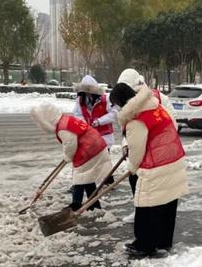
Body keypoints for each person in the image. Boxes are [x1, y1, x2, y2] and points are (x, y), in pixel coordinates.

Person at [109, 79, 188, 257]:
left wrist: (133, 168)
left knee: (145, 203)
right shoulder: (154, 106)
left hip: (156, 164)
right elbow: (172, 126)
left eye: (115, 105)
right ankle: (163, 241)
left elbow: (137, 152)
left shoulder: (135, 119)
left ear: (122, 103)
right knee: (167, 202)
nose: (116, 110)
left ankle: (144, 244)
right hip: (173, 158)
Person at [115, 68, 177, 223]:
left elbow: (173, 123)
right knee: (135, 180)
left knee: (157, 188)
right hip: (140, 150)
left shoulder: (158, 98)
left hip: (158, 153)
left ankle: (152, 219)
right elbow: (128, 130)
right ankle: (140, 212)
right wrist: (126, 145)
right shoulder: (128, 101)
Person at [29, 103, 112, 211]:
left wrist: (68, 156)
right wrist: (68, 156)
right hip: (94, 145)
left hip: (89, 149)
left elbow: (70, 144)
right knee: (87, 177)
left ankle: (76, 204)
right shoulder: (65, 119)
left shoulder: (62, 127)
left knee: (79, 177)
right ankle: (94, 203)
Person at [72, 75, 118, 149]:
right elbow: (77, 114)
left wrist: (99, 121)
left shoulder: (105, 99)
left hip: (105, 137)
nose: (87, 94)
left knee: (104, 159)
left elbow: (114, 114)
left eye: (89, 91)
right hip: (89, 137)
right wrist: (84, 123)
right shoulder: (80, 100)